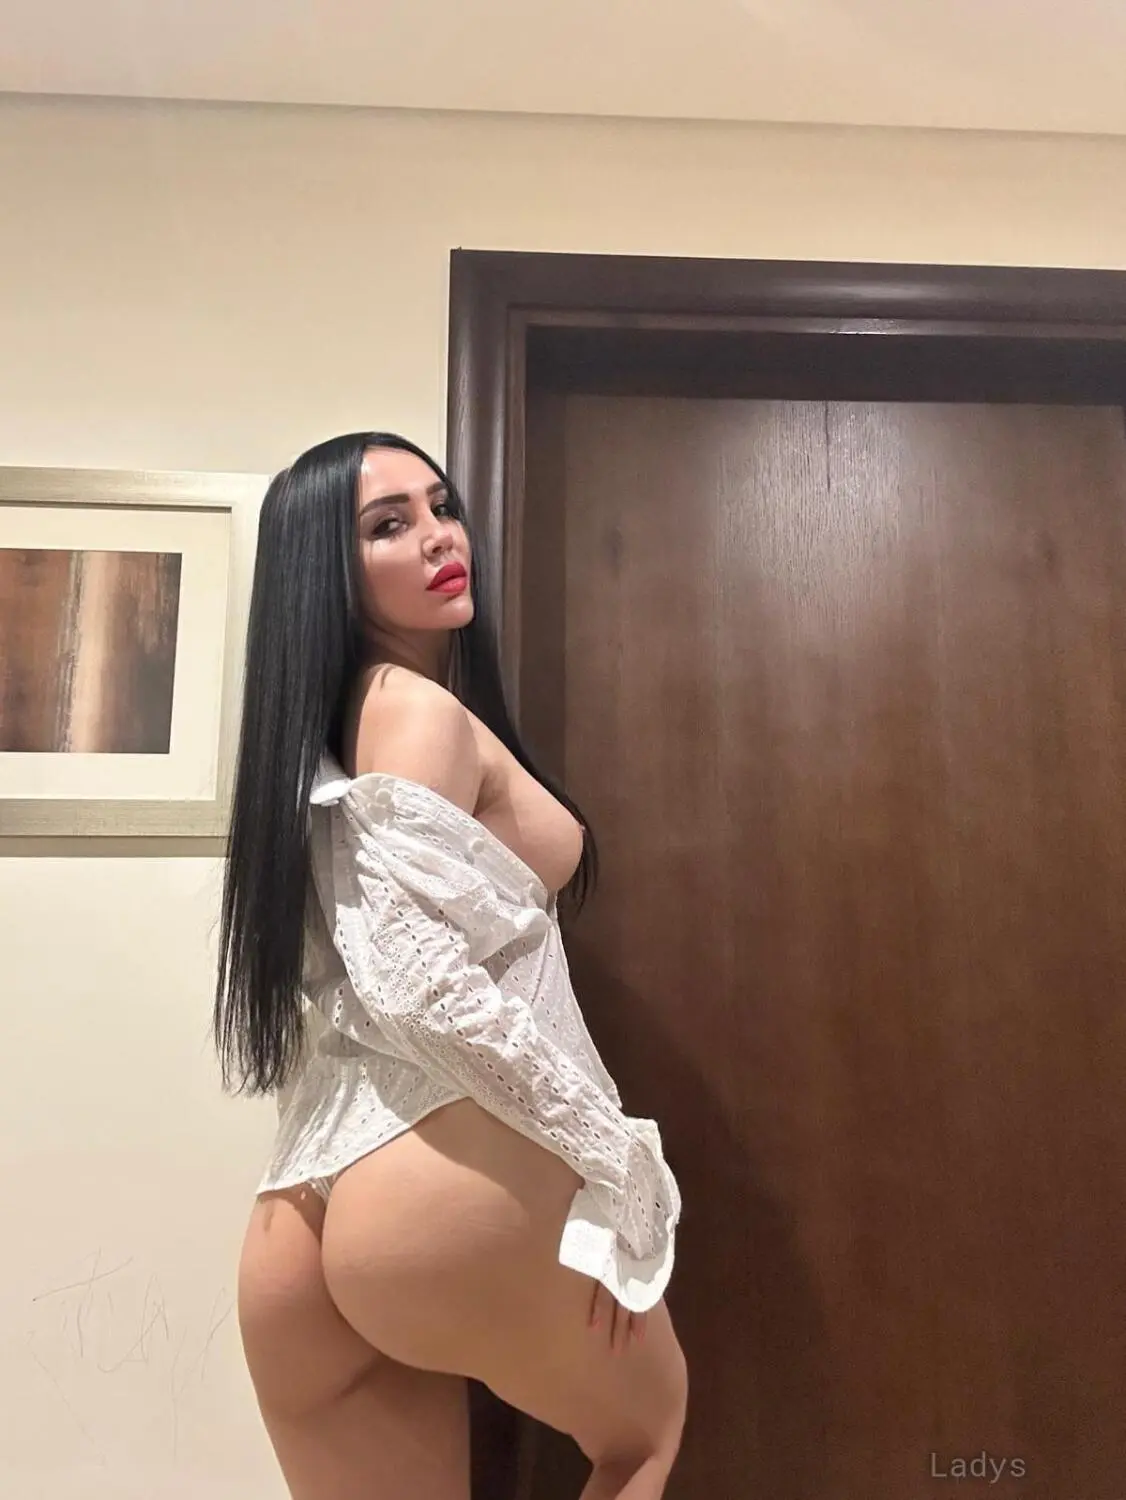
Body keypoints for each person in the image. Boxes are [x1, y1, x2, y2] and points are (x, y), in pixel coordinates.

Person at [214, 432, 687, 1500]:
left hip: (300, 1217)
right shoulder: (415, 711)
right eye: (390, 526)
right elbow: (414, 979)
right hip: (432, 1187)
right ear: (327, 573)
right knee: (643, 1438)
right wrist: (610, 1152)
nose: (439, 538)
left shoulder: (326, 732)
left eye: (441, 507)